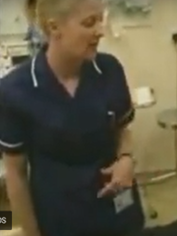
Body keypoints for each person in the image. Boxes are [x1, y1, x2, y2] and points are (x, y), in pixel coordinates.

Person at [0, 1, 145, 236]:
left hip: (118, 210)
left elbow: (122, 129)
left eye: (101, 19)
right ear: (54, 27)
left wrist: (127, 158)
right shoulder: (16, 91)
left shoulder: (109, 70)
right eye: (89, 22)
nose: (100, 30)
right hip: (62, 219)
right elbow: (15, 175)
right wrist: (31, 232)